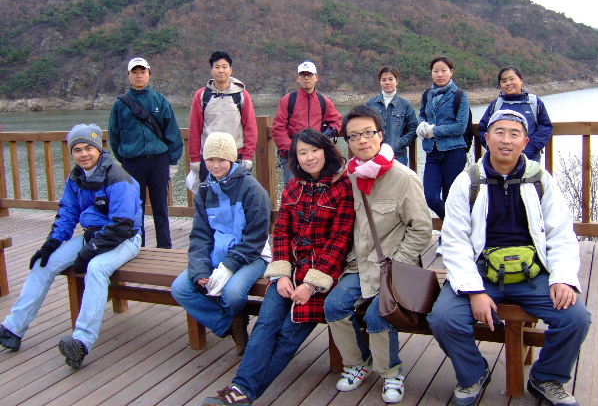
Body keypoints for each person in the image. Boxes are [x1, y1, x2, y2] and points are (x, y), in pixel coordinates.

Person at [427, 110, 591, 406]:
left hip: (532, 274)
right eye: (499, 132)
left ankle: (546, 378)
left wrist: (563, 278)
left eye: (514, 134)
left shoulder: (540, 179)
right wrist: (474, 291)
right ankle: (473, 374)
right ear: (486, 138)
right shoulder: (468, 181)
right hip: (481, 272)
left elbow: (560, 233)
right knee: (443, 319)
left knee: (575, 318)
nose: (506, 140)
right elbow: (454, 241)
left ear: (525, 142)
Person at [202, 129, 355, 405]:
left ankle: (242, 392)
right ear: (295, 157)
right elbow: (282, 231)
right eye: (302, 153)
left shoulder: (342, 187)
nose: (309, 157)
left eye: (315, 150)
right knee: (266, 325)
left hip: (322, 276)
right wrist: (282, 273)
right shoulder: (294, 186)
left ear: (326, 151)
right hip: (289, 270)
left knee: (287, 336)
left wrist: (311, 284)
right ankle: (241, 389)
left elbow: (339, 241)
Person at [0, 124, 142, 369]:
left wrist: (90, 251)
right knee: (44, 264)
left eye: (88, 148)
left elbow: (123, 225)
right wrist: (51, 244)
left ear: (99, 149)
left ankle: (82, 341)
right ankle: (13, 328)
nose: (83, 154)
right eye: (77, 149)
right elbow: (67, 213)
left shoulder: (118, 177)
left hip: (125, 239)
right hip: (93, 237)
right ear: (72, 153)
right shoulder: (76, 177)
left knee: (96, 268)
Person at [323, 106, 432, 404]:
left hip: (394, 265)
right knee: (334, 306)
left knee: (378, 315)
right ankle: (358, 362)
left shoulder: (403, 178)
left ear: (380, 135)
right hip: (359, 265)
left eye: (368, 133)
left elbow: (422, 229)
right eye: (353, 136)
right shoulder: (349, 176)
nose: (362, 140)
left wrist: (397, 262)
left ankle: (390, 371)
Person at [171, 132, 271, 356]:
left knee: (233, 294)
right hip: (217, 252)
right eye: (210, 159)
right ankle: (231, 324)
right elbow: (200, 235)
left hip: (252, 256)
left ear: (232, 159)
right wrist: (199, 269)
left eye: (221, 159)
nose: (216, 165)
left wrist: (228, 266)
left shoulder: (252, 189)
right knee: (181, 289)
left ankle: (235, 319)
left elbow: (255, 238)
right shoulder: (204, 190)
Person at [108, 57, 183, 249]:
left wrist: (172, 162)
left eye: (143, 72)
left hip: (159, 161)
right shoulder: (120, 105)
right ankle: (137, 246)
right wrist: (125, 157)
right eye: (135, 72)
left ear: (149, 74)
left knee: (161, 208)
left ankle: (165, 247)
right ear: (128, 76)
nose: (139, 76)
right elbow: (114, 136)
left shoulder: (160, 100)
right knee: (135, 207)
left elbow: (172, 132)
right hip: (133, 162)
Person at [416, 57, 471, 226]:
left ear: (451, 72)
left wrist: (434, 131)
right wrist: (422, 125)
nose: (440, 74)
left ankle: (450, 234)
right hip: (432, 152)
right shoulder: (427, 94)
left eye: (444, 71)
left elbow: (460, 126)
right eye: (436, 71)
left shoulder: (460, 96)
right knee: (430, 197)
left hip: (454, 153)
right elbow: (423, 115)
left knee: (450, 197)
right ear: (431, 73)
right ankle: (458, 227)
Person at [189, 51, 257, 181]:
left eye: (224, 67)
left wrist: (248, 156)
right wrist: (195, 158)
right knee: (210, 192)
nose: (221, 70)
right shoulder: (202, 95)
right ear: (211, 70)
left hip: (236, 156)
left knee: (238, 193)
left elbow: (250, 127)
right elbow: (195, 129)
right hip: (209, 157)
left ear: (231, 70)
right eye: (217, 67)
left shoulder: (241, 95)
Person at [272, 60, 343, 184]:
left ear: (316, 77)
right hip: (291, 155)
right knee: (293, 189)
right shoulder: (288, 100)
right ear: (298, 78)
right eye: (303, 74)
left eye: (309, 74)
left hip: (316, 152)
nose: (306, 78)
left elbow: (337, 120)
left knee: (320, 185)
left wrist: (326, 136)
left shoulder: (323, 101)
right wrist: (293, 149)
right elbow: (278, 128)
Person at [477, 66, 553, 162]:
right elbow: (483, 128)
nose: (508, 83)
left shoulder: (534, 102)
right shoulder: (496, 104)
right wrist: (494, 149)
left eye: (512, 79)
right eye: (504, 81)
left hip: (529, 159)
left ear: (521, 80)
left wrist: (531, 147)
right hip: (501, 160)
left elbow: (545, 126)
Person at [365, 66, 418, 166]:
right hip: (374, 155)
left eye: (390, 79)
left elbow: (414, 127)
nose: (387, 82)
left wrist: (401, 143)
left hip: (398, 156)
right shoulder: (370, 103)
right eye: (384, 80)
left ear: (397, 81)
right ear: (380, 82)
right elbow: (363, 126)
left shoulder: (405, 104)